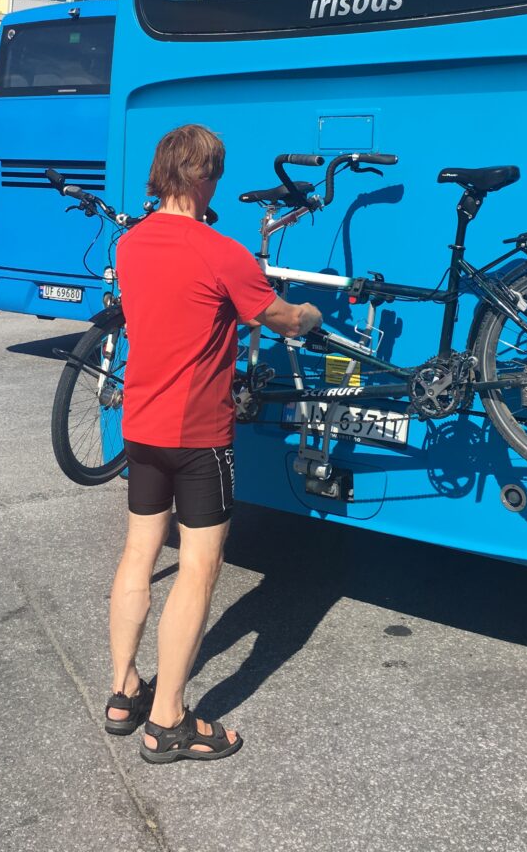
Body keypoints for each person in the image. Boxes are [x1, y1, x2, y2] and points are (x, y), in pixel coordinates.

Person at [104, 124, 322, 762]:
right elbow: (278, 316)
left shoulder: (131, 244)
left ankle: (123, 692)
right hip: (199, 437)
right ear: (203, 177)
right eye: (217, 175)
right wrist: (310, 316)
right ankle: (168, 719)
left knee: (139, 553)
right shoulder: (222, 252)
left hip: (141, 428)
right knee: (199, 569)